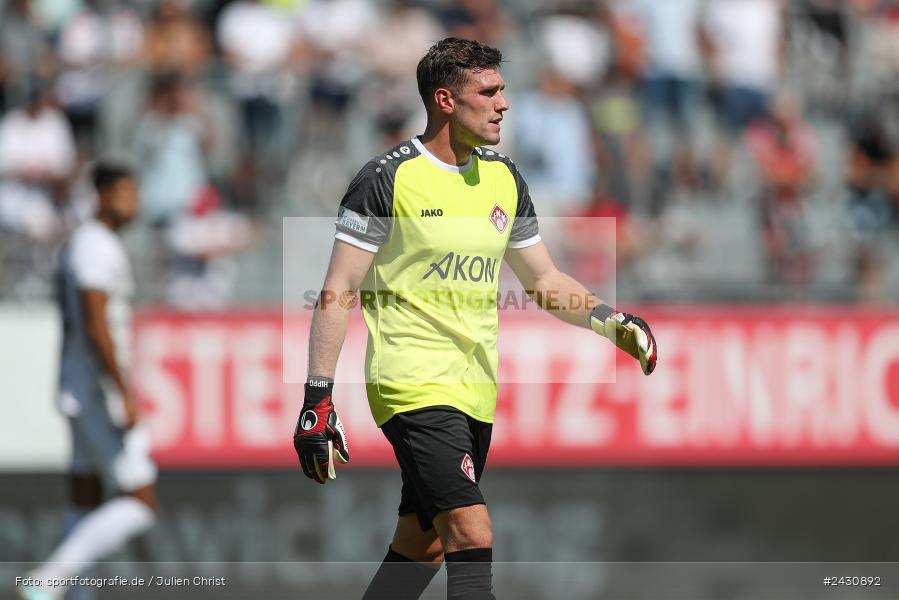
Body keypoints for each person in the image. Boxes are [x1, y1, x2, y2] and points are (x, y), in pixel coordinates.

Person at [292, 38, 658, 600]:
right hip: (412, 382)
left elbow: (544, 280)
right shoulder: (387, 178)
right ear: (445, 100)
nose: (502, 104)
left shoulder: (504, 178)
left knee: (423, 546)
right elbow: (338, 289)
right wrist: (318, 395)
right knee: (470, 531)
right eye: (487, 93)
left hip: (475, 389)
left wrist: (608, 320)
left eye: (502, 91)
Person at [20, 163, 157, 600]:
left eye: (136, 194)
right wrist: (122, 390)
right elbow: (96, 325)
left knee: (85, 497)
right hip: (97, 389)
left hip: (80, 386)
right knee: (139, 502)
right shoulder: (95, 245)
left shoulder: (92, 243)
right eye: (125, 193)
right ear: (102, 195)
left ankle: (76, 594)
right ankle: (50, 578)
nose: (133, 203)